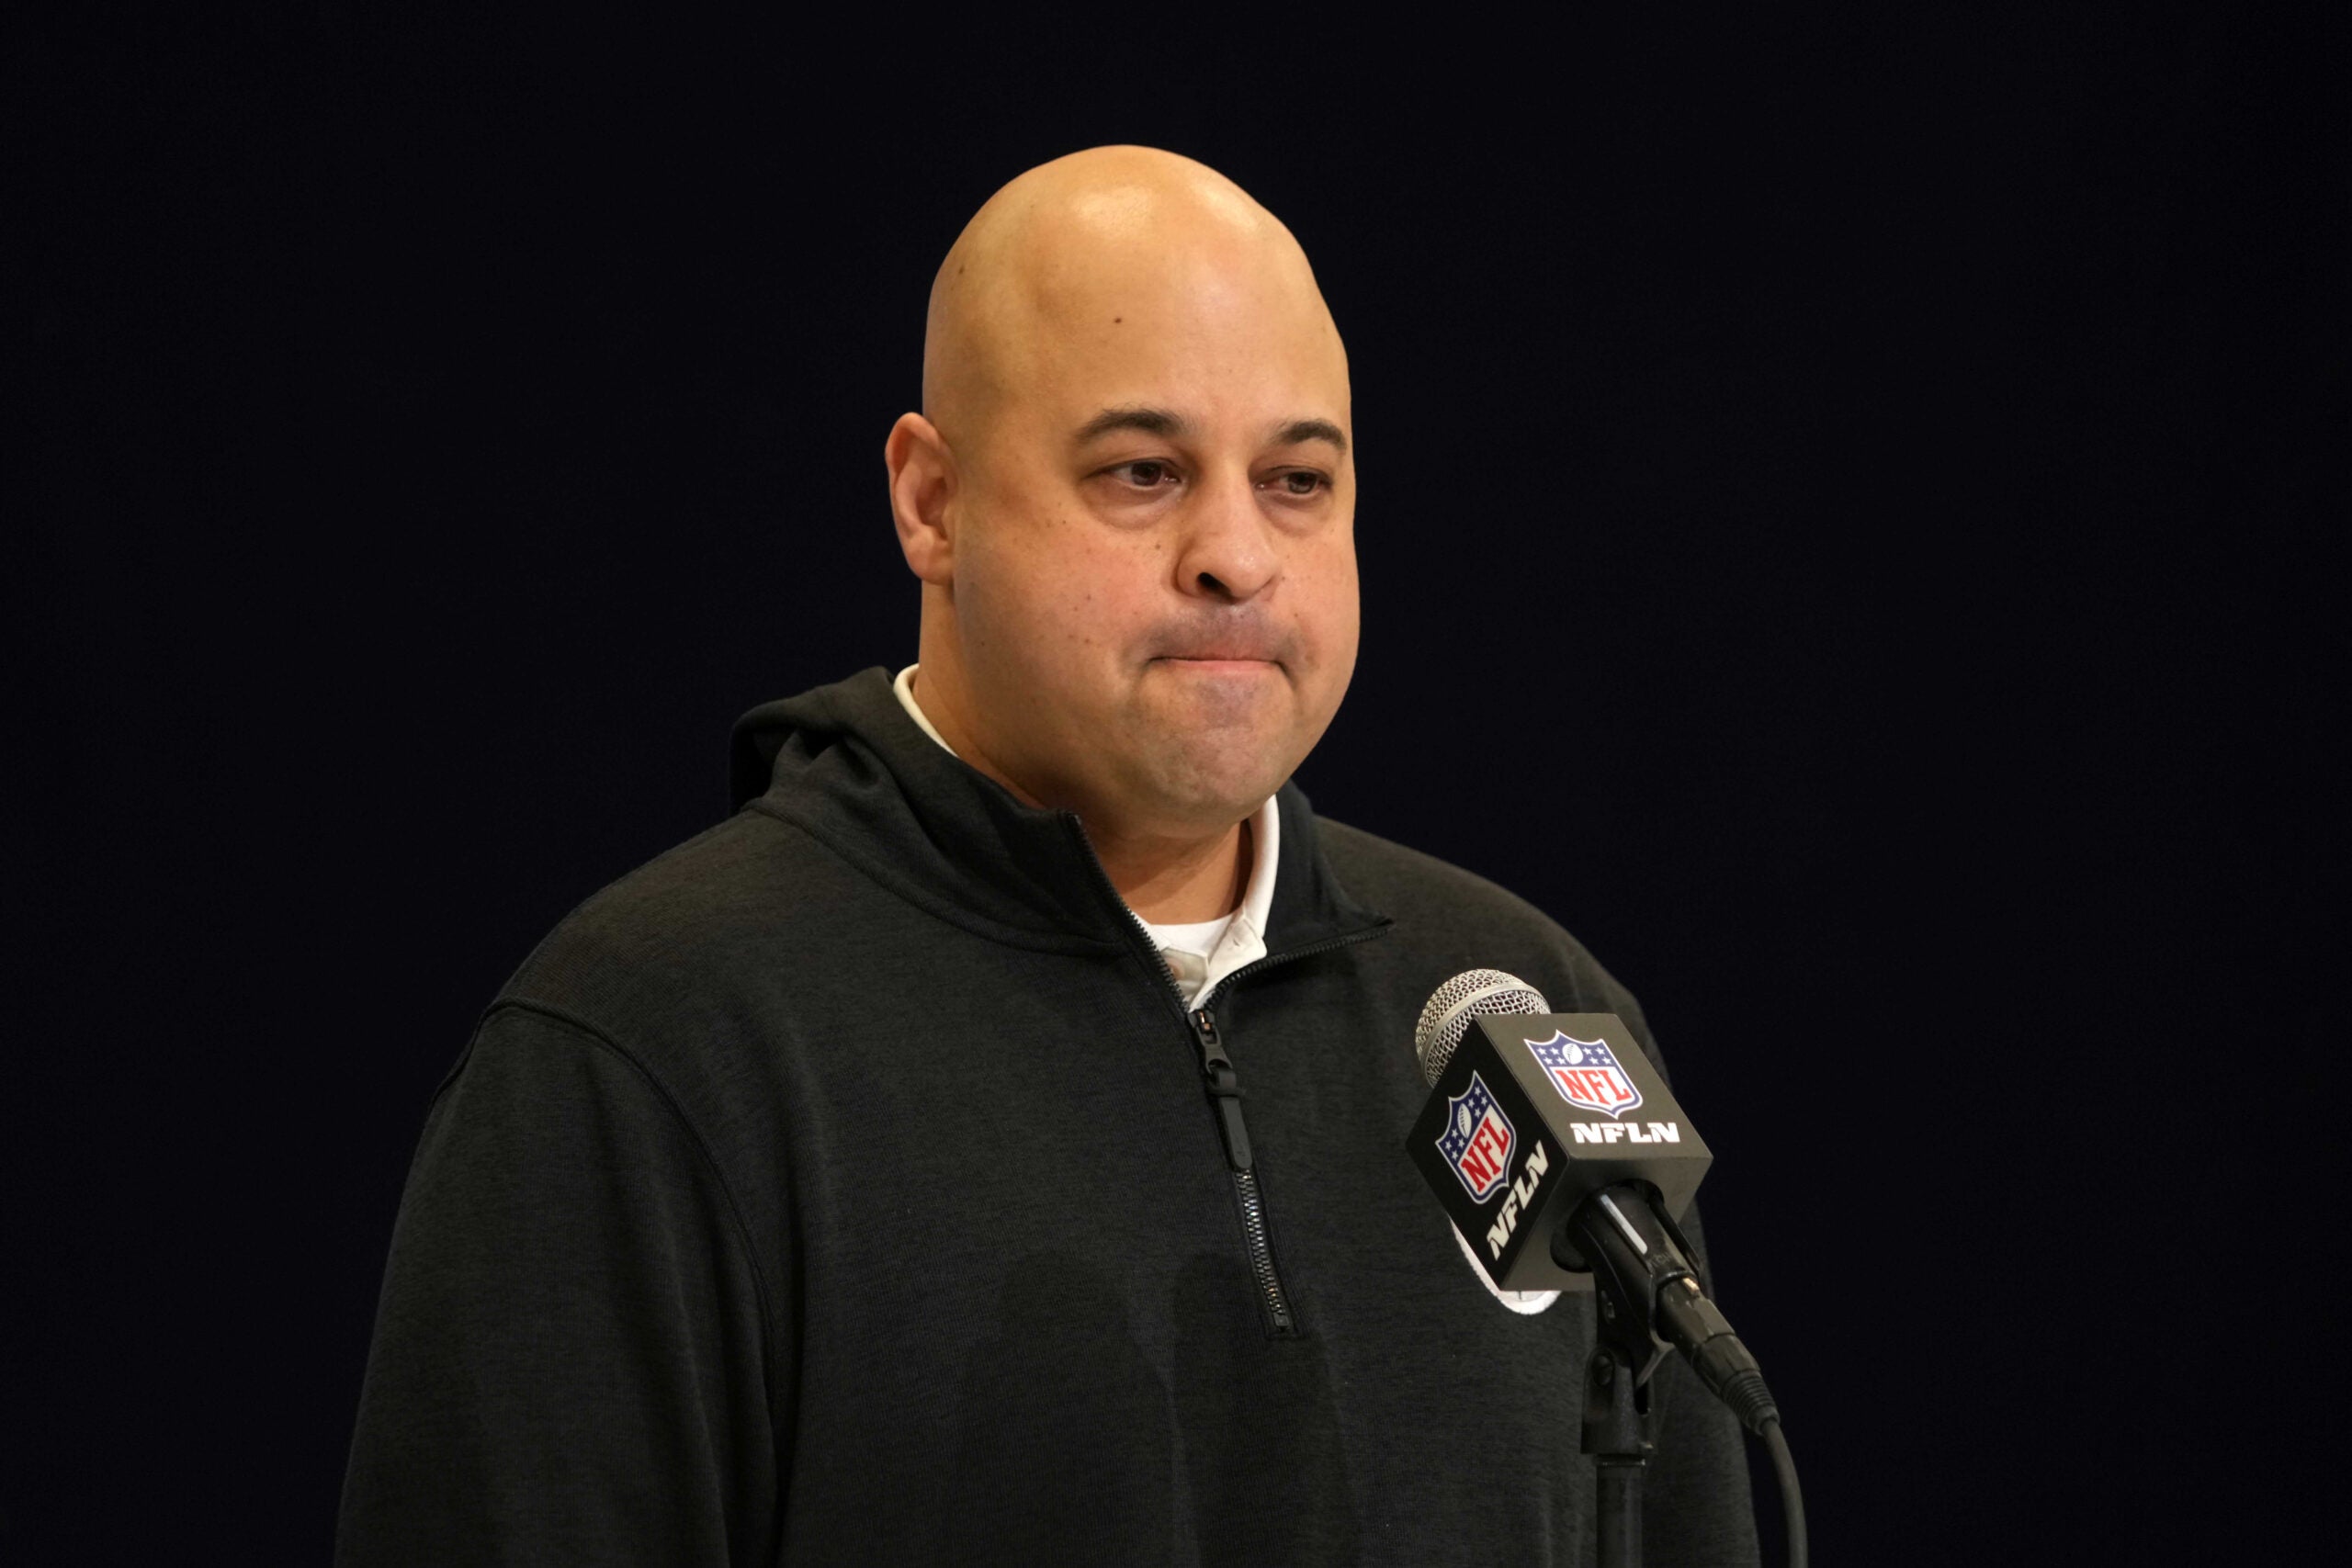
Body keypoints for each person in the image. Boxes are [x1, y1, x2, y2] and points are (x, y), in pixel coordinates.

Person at [335, 146, 1761, 1566]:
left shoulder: (1525, 1006)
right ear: (931, 502)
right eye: (1144, 472)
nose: (1236, 554)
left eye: (1296, 479)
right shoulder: (656, 1043)